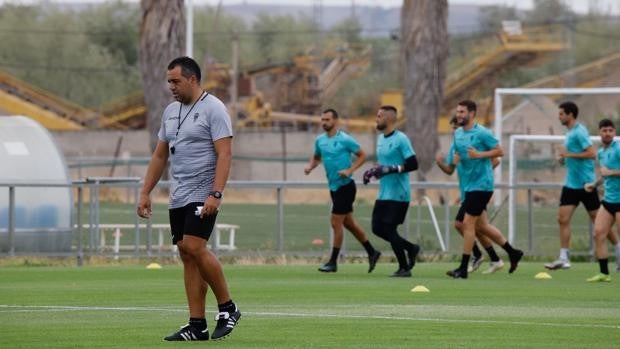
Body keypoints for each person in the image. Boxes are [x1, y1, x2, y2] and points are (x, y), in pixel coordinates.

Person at [137, 56, 240, 341]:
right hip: (178, 193)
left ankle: (228, 307)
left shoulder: (214, 108)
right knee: (186, 252)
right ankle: (197, 324)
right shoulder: (171, 111)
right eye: (169, 81)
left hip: (203, 191)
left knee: (195, 246)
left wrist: (215, 193)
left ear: (192, 79)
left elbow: (225, 153)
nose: (171, 86)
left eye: (176, 81)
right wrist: (145, 192)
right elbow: (160, 155)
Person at [446, 100, 523, 279]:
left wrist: (479, 155)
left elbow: (499, 152)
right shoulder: (457, 134)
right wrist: (446, 162)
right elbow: (453, 166)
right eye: (457, 111)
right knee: (479, 225)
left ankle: (465, 267)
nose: (459, 115)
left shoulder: (482, 132)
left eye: (462, 112)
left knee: (467, 224)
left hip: (482, 186)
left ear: (472, 114)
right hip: (468, 188)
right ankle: (512, 252)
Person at [304, 109, 382, 273]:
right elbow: (317, 157)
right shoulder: (320, 140)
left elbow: (362, 156)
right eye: (322, 119)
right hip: (333, 187)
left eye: (327, 119)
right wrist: (310, 167)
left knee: (335, 222)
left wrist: (349, 170)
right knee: (350, 224)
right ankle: (372, 252)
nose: (324, 122)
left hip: (345, 186)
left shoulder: (345, 139)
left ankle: (333, 262)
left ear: (335, 121)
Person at [545, 101, 620, 270]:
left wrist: (568, 153)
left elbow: (591, 153)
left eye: (561, 114)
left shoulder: (580, 132)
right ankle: (564, 257)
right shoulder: (570, 133)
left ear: (570, 114)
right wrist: (563, 159)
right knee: (562, 219)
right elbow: (575, 155)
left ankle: (617, 248)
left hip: (586, 183)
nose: (559, 117)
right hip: (571, 184)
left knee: (600, 224)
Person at [436, 116, 504, 274]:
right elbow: (450, 170)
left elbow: (496, 160)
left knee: (464, 224)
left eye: (455, 128)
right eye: (452, 129)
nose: (455, 131)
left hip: (478, 189)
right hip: (467, 191)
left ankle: (481, 256)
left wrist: (481, 176)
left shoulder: (473, 138)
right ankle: (497, 258)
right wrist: (440, 163)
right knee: (478, 227)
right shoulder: (456, 147)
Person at [363, 105, 420, 277]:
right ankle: (411, 248)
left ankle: (404, 268)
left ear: (388, 119)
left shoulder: (401, 139)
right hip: (384, 193)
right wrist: (374, 172)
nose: (376, 118)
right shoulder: (381, 139)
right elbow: (384, 166)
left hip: (399, 193)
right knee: (377, 228)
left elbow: (413, 164)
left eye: (379, 116)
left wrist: (390, 169)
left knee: (389, 228)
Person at [585, 119, 620, 282]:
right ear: (599, 132)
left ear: (614, 133)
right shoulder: (600, 152)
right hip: (608, 201)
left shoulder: (618, 148)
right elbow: (604, 174)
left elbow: (609, 172)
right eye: (604, 130)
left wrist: (611, 172)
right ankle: (604, 273)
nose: (607, 133)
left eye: (610, 130)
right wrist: (594, 184)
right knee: (598, 234)